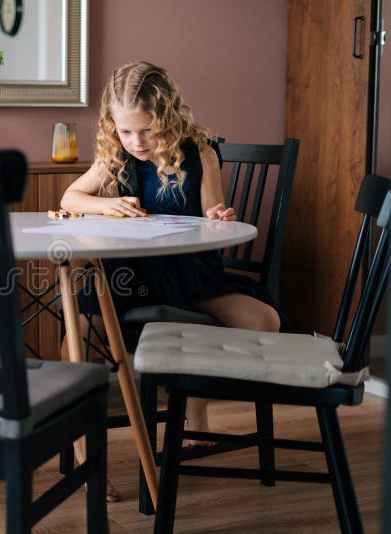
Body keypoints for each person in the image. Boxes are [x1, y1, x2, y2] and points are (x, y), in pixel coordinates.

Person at [60, 61, 284, 497]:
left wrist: (218, 217)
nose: (136, 142)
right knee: (78, 327)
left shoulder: (199, 151)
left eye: (146, 131)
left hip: (193, 274)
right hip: (135, 278)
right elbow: (72, 196)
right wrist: (107, 205)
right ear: (114, 127)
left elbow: (213, 212)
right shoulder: (118, 155)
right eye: (125, 132)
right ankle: (85, 448)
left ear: (168, 117)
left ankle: (195, 410)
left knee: (265, 321)